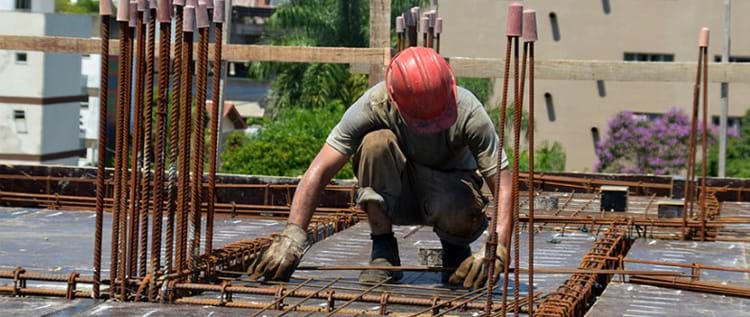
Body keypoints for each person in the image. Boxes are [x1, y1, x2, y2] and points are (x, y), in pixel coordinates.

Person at [249, 47, 512, 288]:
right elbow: (319, 169)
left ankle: (455, 251)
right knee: (374, 143)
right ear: (395, 99)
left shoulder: (469, 111)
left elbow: (503, 185)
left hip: (448, 197)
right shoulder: (374, 104)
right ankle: (384, 250)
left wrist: (498, 246)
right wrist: (293, 234)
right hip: (395, 194)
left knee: (457, 201)